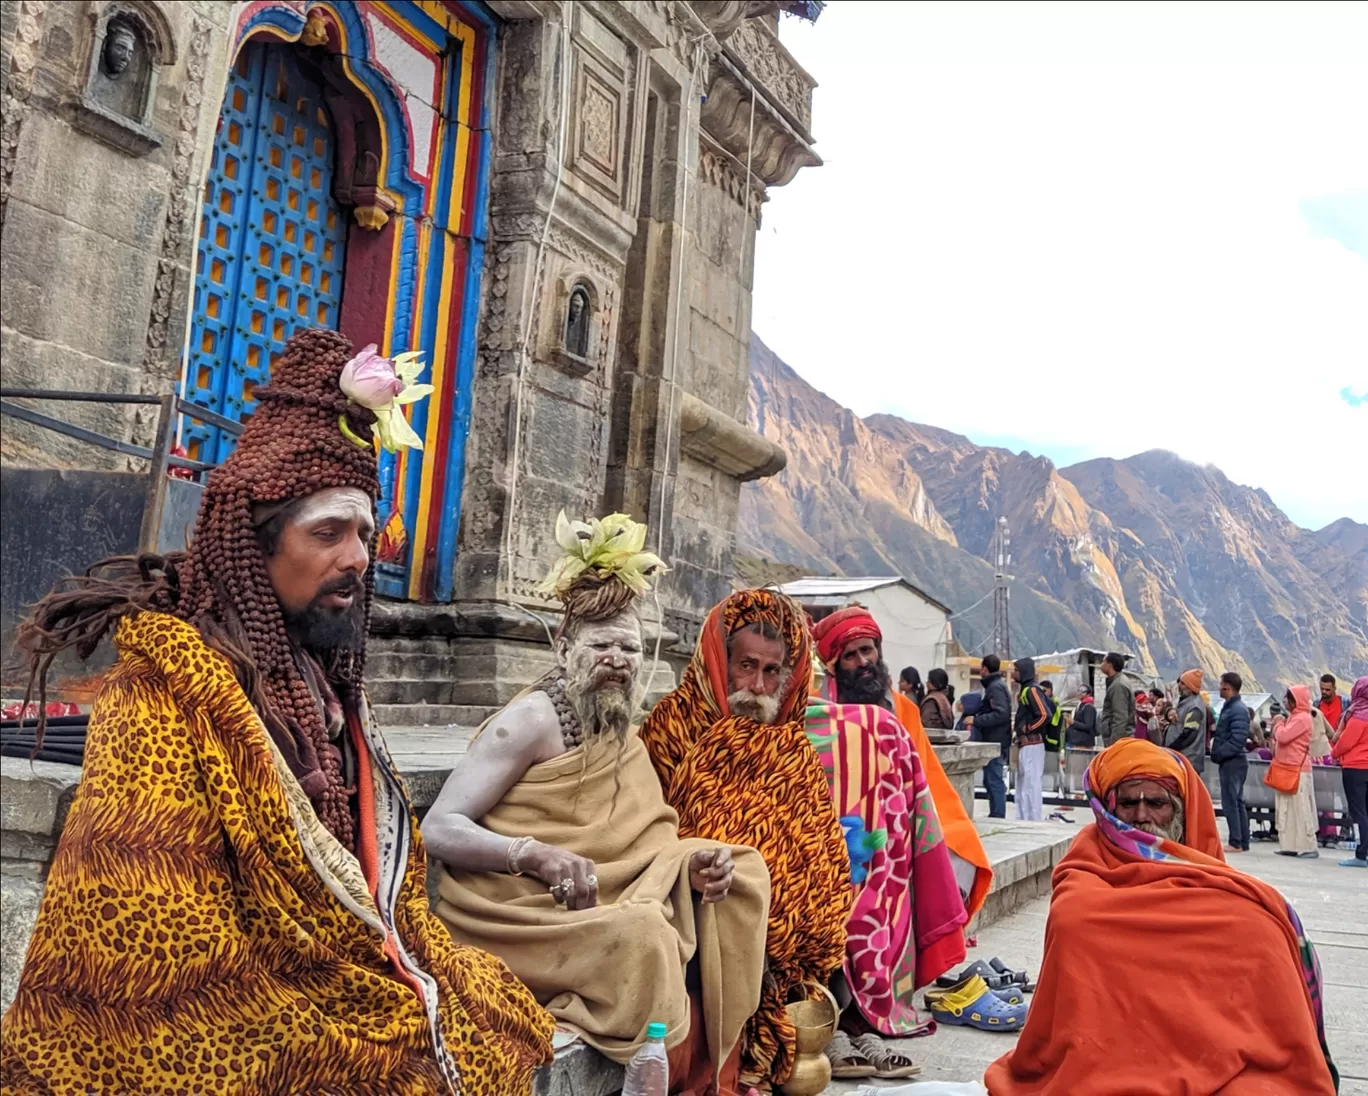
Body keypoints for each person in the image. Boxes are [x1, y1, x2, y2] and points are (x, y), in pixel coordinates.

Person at [0, 330, 554, 1094]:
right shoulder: (163, 700)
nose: (358, 557)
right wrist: (333, 1022)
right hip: (199, 1016)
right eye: (327, 533)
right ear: (250, 548)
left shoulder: (319, 683)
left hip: (331, 972)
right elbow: (158, 945)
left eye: (364, 533)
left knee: (491, 1015)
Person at [427, 513, 769, 1092]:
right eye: (602, 644)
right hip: (513, 908)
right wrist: (534, 855)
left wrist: (692, 867)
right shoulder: (530, 722)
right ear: (564, 648)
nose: (619, 659)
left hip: (592, 894)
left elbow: (645, 841)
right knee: (645, 935)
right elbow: (439, 826)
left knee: (744, 873)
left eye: (631, 647)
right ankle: (647, 1059)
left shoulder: (617, 724)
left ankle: (678, 1061)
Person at [984, 738, 1338, 1095]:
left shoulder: (1233, 902)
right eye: (1127, 803)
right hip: (1096, 1065)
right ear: (1106, 808)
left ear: (1182, 811)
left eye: (1156, 803)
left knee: (1257, 929)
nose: (1141, 816)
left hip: (1227, 1065)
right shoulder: (1085, 869)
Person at [638, 589, 852, 1088]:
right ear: (719, 660)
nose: (757, 686)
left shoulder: (792, 747)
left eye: (773, 671)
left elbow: (821, 855)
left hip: (782, 947)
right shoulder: (671, 729)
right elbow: (643, 834)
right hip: (693, 915)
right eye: (746, 666)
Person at [1269, 686, 1318, 858]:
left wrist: (1278, 724)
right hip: (1287, 768)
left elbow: (1283, 737)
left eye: (1287, 698)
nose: (1284, 701)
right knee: (1286, 809)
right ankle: (1289, 844)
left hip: (1298, 770)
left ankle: (1307, 846)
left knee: (1300, 808)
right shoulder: (1293, 718)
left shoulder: (1302, 719)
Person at [1330, 676, 1368, 867]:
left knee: (1359, 811)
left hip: (1355, 768)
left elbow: (1346, 741)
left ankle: (1361, 855)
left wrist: (1334, 753)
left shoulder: (1359, 716)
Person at [1211, 671, 1251, 853]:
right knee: (1237, 801)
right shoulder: (1231, 707)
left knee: (1231, 801)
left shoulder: (1237, 710)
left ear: (1227, 686)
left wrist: (1219, 753)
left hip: (1232, 762)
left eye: (1221, 685)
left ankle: (1236, 841)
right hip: (1232, 761)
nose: (1219, 688)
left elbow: (1238, 739)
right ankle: (1242, 840)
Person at [1011, 659, 1050, 820]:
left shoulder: (1032, 691)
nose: (1013, 673)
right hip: (1025, 744)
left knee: (1031, 782)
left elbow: (1044, 714)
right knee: (1023, 782)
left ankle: (1033, 818)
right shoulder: (1026, 690)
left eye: (1016, 670)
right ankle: (1023, 817)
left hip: (1032, 744)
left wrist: (1027, 729)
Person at [975, 654, 1014, 818]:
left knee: (994, 780)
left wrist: (978, 720)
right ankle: (995, 812)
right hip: (996, 739)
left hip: (995, 741)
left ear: (985, 668)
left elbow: (1001, 713)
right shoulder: (997, 685)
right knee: (990, 780)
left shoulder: (995, 687)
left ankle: (998, 815)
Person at [1167, 669, 1207, 773]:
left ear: (1190, 687)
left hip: (1188, 760)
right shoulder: (1184, 701)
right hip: (1180, 759)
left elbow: (1190, 734)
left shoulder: (1195, 707)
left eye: (1183, 683)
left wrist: (1172, 748)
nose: (1179, 685)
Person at [1099, 652, 1134, 747]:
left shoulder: (1118, 686)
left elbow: (1120, 718)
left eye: (1103, 662)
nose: (1101, 665)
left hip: (1118, 741)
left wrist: (1114, 745)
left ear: (1110, 664)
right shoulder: (1117, 682)